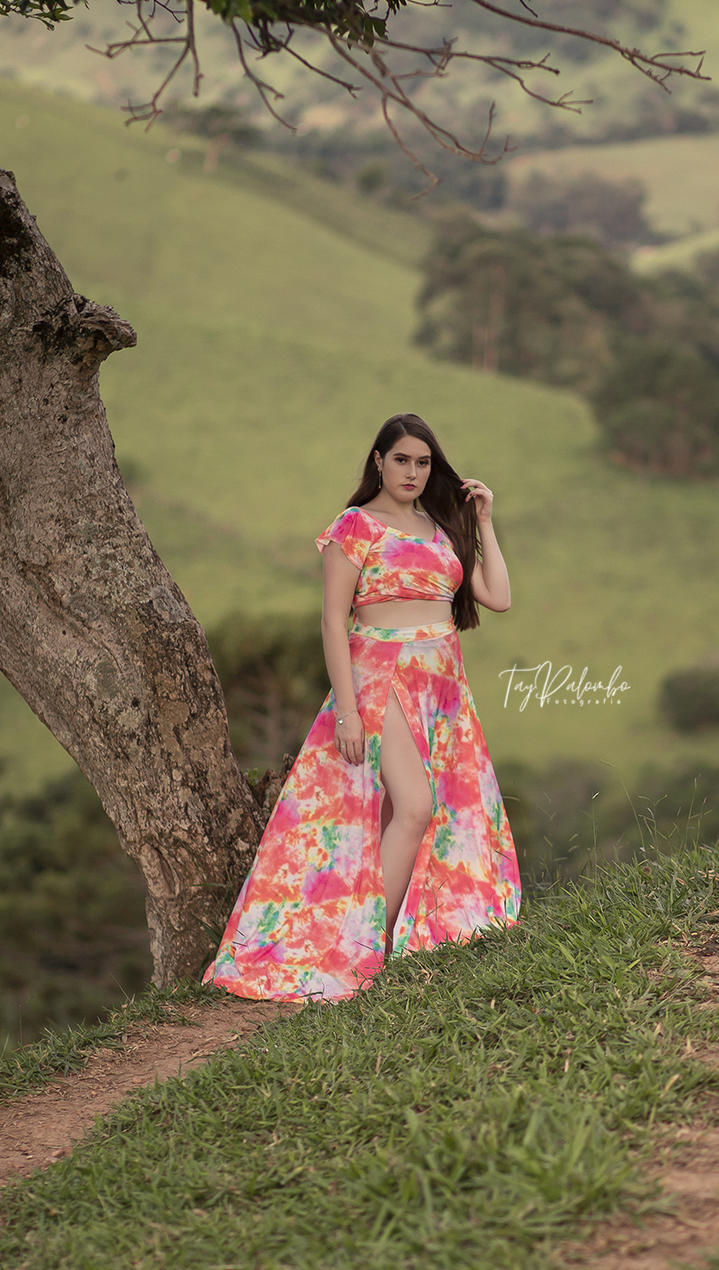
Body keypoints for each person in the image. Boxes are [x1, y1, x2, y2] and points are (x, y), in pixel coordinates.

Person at [203, 411, 521, 1001]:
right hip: (384, 680)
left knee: (413, 813)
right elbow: (331, 620)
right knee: (416, 809)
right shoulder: (355, 527)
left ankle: (388, 938)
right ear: (379, 461)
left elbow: (496, 597)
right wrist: (347, 711)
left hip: (442, 687)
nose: (413, 471)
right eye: (401, 459)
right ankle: (366, 948)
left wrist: (483, 522)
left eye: (423, 462)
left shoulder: (440, 527)